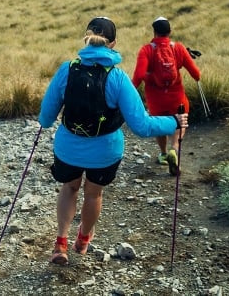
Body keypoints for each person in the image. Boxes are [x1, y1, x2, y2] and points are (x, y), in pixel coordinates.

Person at [38, 16, 189, 265]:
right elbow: (141, 125)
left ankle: (60, 243)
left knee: (69, 188)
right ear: (113, 43)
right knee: (93, 194)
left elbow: (45, 118)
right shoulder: (117, 78)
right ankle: (84, 238)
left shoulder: (67, 69)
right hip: (105, 151)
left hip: (68, 148)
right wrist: (174, 121)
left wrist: (46, 121)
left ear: (86, 39)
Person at [132, 16, 201, 176]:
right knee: (180, 120)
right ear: (169, 32)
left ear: (154, 32)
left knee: (159, 124)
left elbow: (139, 75)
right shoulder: (178, 48)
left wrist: (130, 91)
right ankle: (174, 148)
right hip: (176, 95)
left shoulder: (146, 50)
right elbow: (195, 73)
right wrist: (197, 77)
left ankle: (163, 154)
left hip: (155, 97)